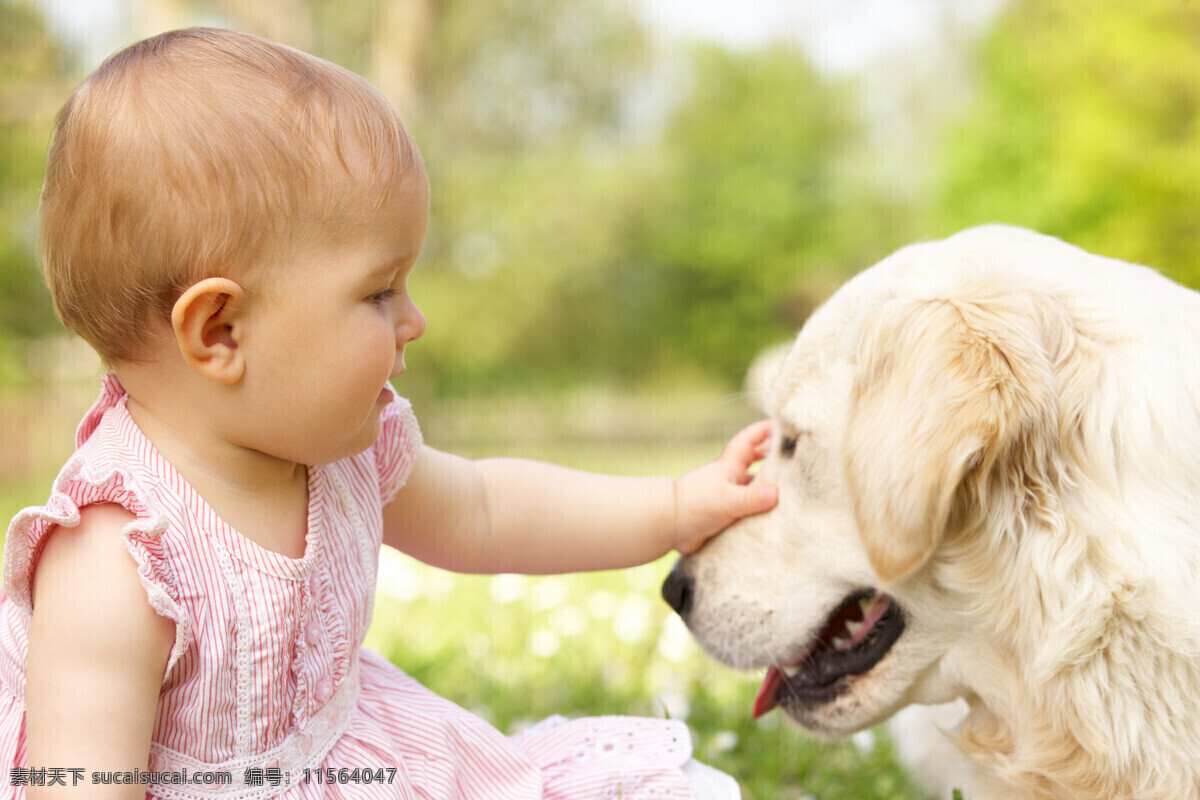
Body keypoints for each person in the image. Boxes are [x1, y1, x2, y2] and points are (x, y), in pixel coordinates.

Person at [0, 28, 778, 800]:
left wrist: (674, 506)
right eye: (379, 292)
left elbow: (486, 509)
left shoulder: (342, 449)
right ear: (220, 332)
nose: (414, 321)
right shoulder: (118, 555)